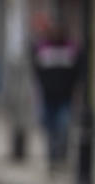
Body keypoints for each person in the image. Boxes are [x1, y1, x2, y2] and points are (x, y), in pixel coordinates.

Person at [31, 19, 82, 175]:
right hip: (48, 96)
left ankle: (61, 157)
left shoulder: (71, 48)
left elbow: (78, 70)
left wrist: (72, 88)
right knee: (50, 128)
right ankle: (52, 158)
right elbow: (37, 70)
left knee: (63, 127)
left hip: (65, 96)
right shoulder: (42, 48)